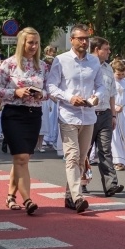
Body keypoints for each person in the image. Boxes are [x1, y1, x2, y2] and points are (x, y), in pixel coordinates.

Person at [46, 24, 106, 214]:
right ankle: (78, 197)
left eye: (86, 39)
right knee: (72, 156)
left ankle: (69, 196)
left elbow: (101, 85)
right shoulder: (61, 60)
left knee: (81, 159)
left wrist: (96, 97)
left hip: (88, 116)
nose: (84, 42)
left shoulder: (94, 61)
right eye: (80, 38)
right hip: (68, 114)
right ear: (71, 40)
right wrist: (69, 98)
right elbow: (51, 86)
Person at [0, 27, 45, 214]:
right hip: (13, 114)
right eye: (30, 42)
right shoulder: (8, 64)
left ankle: (10, 196)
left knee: (22, 158)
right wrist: (15, 92)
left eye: (36, 43)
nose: (33, 46)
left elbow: (51, 90)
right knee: (21, 157)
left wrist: (41, 94)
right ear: (21, 43)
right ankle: (28, 200)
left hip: (34, 114)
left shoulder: (43, 66)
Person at [87, 37, 124, 195]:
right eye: (106, 49)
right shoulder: (86, 65)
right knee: (85, 151)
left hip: (105, 114)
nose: (109, 52)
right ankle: (81, 182)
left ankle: (110, 185)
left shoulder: (108, 68)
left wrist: (113, 116)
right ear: (97, 50)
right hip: (88, 113)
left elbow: (112, 94)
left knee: (105, 150)